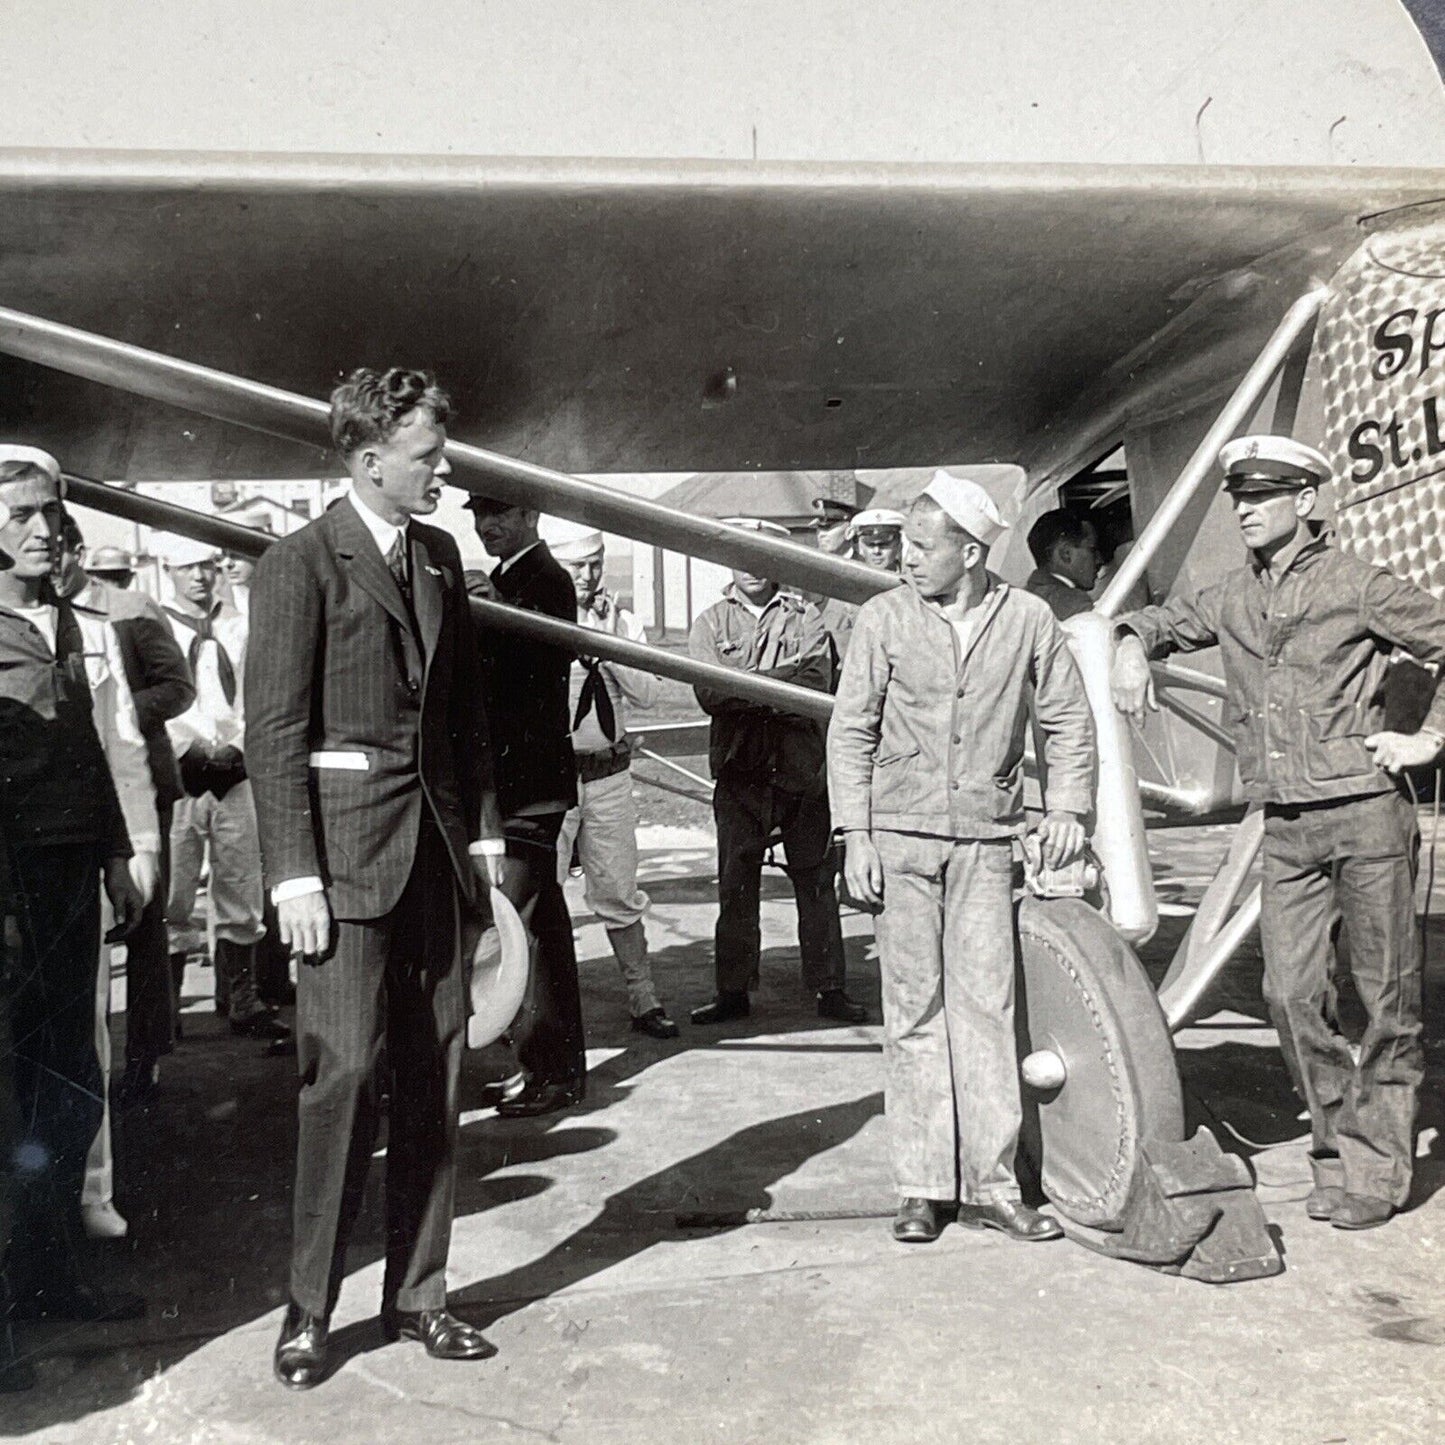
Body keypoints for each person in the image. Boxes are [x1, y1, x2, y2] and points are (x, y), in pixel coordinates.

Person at [1110, 434, 1445, 1232]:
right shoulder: (1233, 597)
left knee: (1382, 997)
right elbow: (1154, 619)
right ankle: (1335, 1150)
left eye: (1262, 496)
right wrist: (1129, 645)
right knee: (1287, 994)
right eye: (1238, 498)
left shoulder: (1357, 585)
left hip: (1364, 810)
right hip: (1285, 825)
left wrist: (1427, 738)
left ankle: (1374, 1165)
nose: (1246, 509)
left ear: (1306, 502)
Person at [248, 368, 504, 1387]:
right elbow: (271, 734)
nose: (440, 469)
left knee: (434, 1077)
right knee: (342, 1077)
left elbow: (463, 717)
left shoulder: (438, 555)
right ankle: (310, 1307)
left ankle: (421, 1296)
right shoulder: (297, 565)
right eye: (425, 456)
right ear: (367, 460)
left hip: (436, 859)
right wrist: (292, 878)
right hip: (343, 869)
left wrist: (484, 845)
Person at [830, 472, 1095, 1245]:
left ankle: (992, 1185)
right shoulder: (882, 618)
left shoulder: (1028, 620)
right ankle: (919, 1186)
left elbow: (1067, 723)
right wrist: (856, 834)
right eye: (905, 545)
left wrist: (1068, 809)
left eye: (920, 546)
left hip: (985, 843)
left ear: (971, 552)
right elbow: (850, 731)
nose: (906, 558)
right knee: (913, 1014)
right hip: (902, 843)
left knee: (985, 1011)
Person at [0, 446, 145, 1322]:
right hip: (6, 882)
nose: (42, 531)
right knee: (10, 1087)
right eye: (19, 513)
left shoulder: (63, 623)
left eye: (50, 513)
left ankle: (51, 1277)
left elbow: (89, 751)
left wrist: (119, 855)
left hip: (67, 876)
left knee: (70, 1074)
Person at [689, 517, 868, 1026]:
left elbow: (815, 684)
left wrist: (744, 686)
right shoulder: (711, 622)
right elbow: (708, 692)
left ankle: (830, 988)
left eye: (762, 557)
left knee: (815, 884)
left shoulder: (806, 617)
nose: (751, 569)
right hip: (739, 773)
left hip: (802, 773)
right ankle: (733, 992)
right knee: (735, 885)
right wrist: (776, 691)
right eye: (742, 557)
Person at [55, 517, 195, 1107]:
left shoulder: (130, 609)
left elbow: (178, 687)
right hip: (72, 790)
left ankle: (144, 1057)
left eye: (62, 551)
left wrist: (114, 708)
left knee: (142, 925)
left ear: (77, 552)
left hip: (137, 783)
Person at [466, 494, 587, 1115]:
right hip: (517, 787)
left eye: (501, 515)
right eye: (479, 517)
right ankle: (540, 1065)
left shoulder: (545, 579)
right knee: (531, 926)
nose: (487, 526)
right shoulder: (510, 580)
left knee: (529, 929)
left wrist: (488, 610)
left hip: (527, 787)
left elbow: (538, 663)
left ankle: (551, 1071)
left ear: (532, 517)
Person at [541, 517, 678, 1040]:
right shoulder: (534, 616)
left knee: (619, 890)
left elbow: (646, 693)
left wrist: (608, 639)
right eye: (577, 565)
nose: (589, 575)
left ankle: (643, 997)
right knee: (542, 892)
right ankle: (536, 1008)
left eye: (595, 564)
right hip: (552, 778)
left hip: (608, 778)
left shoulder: (623, 620)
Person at [158, 534, 288, 1046]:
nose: (200, 576)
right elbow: (148, 696)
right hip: (181, 775)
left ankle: (242, 997)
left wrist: (237, 747)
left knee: (239, 882)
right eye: (188, 567)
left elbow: (260, 690)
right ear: (168, 568)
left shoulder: (240, 624)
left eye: (208, 566)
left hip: (235, 773)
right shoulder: (155, 625)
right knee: (175, 891)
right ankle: (163, 1009)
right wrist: (186, 750)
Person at [818, 507, 906, 663]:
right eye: (870, 544)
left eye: (885, 544)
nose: (877, 551)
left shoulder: (913, 587)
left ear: (898, 545)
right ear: (858, 547)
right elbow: (832, 646)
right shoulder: (845, 592)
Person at [1024, 509, 1103, 622]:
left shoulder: (1027, 596)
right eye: (1092, 550)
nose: (1099, 560)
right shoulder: (1074, 604)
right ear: (1066, 554)